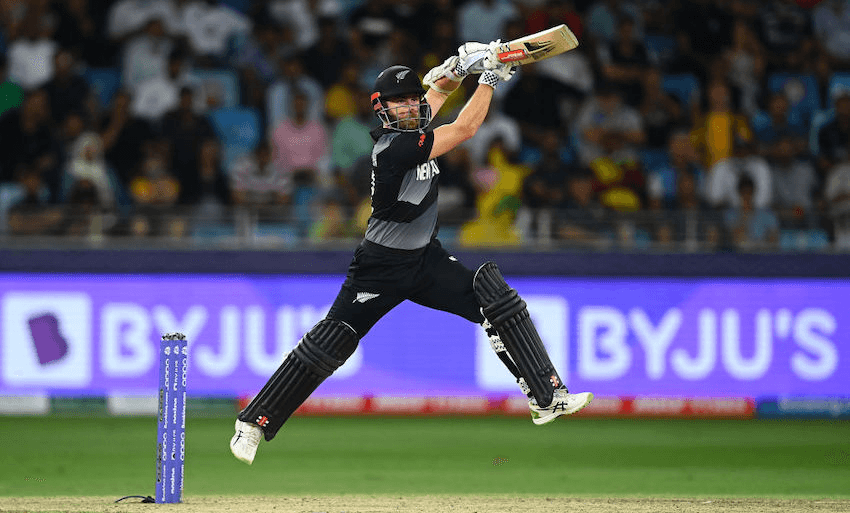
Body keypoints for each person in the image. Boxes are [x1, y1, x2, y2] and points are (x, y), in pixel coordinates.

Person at [230, 42, 593, 465]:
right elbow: (464, 129)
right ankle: (253, 423)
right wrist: (490, 77)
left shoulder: (415, 126)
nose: (406, 108)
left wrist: (458, 67)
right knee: (331, 342)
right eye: (396, 103)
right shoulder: (392, 147)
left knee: (495, 299)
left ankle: (546, 397)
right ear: (381, 110)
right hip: (379, 267)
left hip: (425, 260)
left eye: (410, 101)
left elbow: (435, 94)